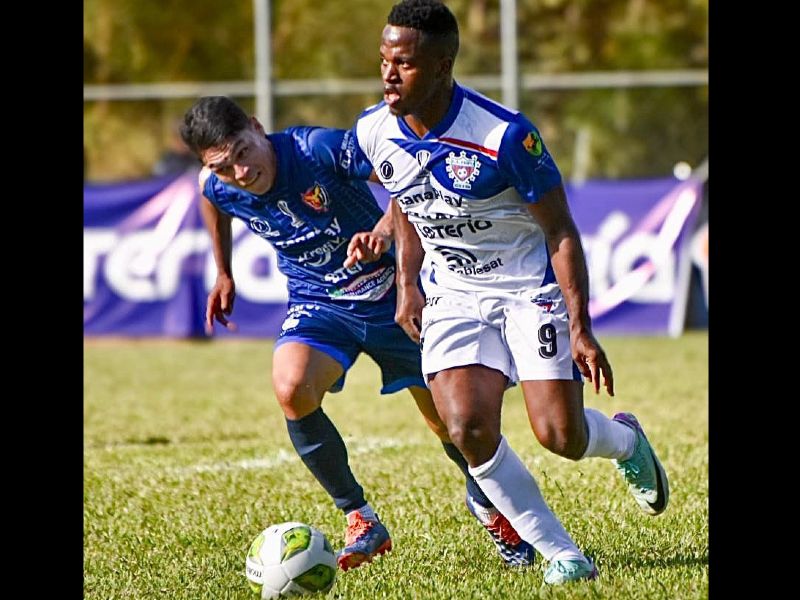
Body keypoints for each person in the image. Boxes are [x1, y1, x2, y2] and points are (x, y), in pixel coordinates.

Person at [343, 0, 669, 585]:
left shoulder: (504, 136)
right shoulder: (373, 130)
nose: (389, 75)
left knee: (560, 436)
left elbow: (560, 231)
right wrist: (407, 282)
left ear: (443, 66)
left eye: (405, 64)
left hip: (526, 288)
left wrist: (580, 327)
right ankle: (563, 554)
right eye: (385, 60)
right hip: (453, 293)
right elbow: (406, 194)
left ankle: (626, 441)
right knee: (467, 428)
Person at [179, 96, 535, 571]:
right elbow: (210, 196)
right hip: (320, 302)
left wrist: (384, 235)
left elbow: (405, 177)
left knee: (453, 424)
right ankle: (360, 517)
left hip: (395, 297)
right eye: (224, 167)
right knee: (291, 388)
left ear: (257, 128)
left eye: (243, 153)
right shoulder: (216, 183)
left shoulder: (315, 150)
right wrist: (224, 271)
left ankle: (491, 509)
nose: (240, 173)